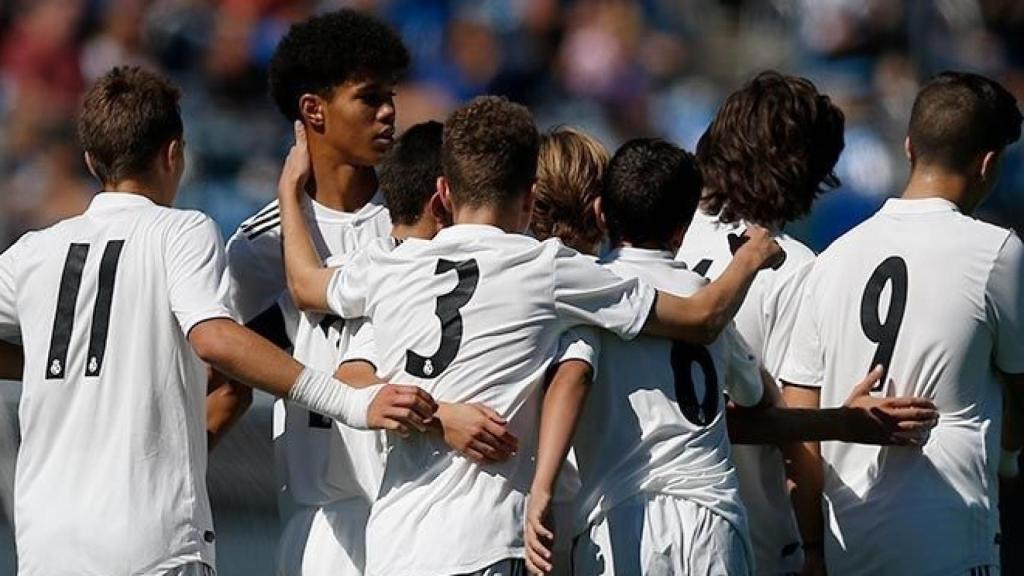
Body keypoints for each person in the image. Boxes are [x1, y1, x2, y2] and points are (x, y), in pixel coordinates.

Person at [278, 94, 786, 576]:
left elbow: (305, 287)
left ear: (443, 193)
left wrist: (290, 193)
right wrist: (750, 258)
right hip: (492, 540)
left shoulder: (392, 266)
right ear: (528, 198)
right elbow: (701, 317)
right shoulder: (547, 268)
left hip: (396, 546)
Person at [0, 66, 434, 576]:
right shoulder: (179, 232)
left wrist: (62, 366)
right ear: (174, 152)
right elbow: (214, 339)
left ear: (92, 160)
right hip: (152, 546)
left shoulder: (31, 253)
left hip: (44, 545)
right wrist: (348, 401)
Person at [779, 71, 1024, 575]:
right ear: (989, 163)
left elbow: (798, 419)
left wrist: (813, 548)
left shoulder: (830, 260)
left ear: (910, 147)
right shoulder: (998, 252)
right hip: (952, 536)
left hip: (849, 542)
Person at [216, 10, 420, 576]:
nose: (388, 112)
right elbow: (216, 369)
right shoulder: (260, 246)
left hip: (419, 506)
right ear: (314, 110)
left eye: (391, 95)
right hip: (320, 521)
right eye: (368, 97)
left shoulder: (422, 223)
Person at [675, 70, 843, 575]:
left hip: (644, 528)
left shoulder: (659, 238)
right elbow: (798, 429)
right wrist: (814, 547)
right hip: (753, 540)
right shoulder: (791, 267)